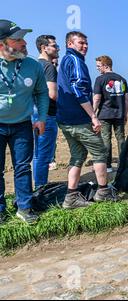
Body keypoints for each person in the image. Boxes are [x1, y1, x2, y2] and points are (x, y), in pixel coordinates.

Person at [57, 31, 116, 209]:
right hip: (79, 119)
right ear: (69, 44)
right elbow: (78, 88)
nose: (85, 46)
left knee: (78, 155)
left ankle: (71, 196)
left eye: (86, 43)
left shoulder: (66, 61)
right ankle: (103, 192)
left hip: (65, 119)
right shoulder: (75, 60)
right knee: (100, 153)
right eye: (80, 43)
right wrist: (93, 116)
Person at [0, 20, 48, 224]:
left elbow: (42, 93)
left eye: (23, 38)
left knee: (22, 167)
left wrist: (41, 118)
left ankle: (24, 207)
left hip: (22, 125)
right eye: (17, 39)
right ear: (2, 44)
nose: (23, 43)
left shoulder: (33, 65)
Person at [93, 55, 128, 173]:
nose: (97, 68)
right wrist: (125, 113)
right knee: (121, 139)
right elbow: (126, 99)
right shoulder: (122, 79)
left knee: (105, 140)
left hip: (104, 114)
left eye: (98, 66)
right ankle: (123, 164)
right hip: (119, 114)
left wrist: (92, 114)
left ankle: (107, 166)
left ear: (105, 65)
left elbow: (97, 98)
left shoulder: (100, 79)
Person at [33, 35, 60, 189]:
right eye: (54, 46)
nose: (57, 49)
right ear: (44, 48)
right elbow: (52, 94)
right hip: (47, 114)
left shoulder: (34, 65)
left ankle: (39, 185)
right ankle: (41, 187)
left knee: (37, 154)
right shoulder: (48, 66)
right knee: (44, 155)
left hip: (33, 113)